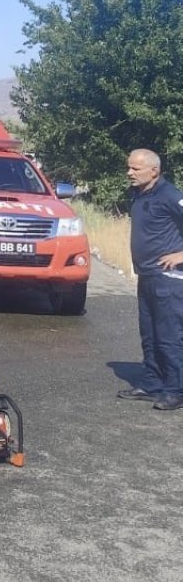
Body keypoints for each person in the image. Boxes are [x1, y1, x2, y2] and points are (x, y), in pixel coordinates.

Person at [119, 148, 183, 410]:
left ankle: (176, 390)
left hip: (168, 279)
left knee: (169, 336)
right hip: (146, 277)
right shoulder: (140, 194)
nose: (129, 173)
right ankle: (152, 384)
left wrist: (181, 254)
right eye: (129, 167)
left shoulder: (171, 195)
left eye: (135, 168)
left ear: (154, 171)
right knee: (150, 335)